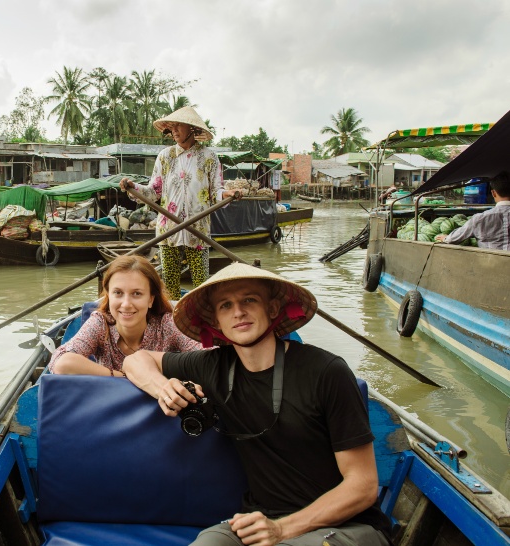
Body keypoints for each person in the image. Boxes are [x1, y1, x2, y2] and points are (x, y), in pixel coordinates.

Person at [122, 263, 391, 546]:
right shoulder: (212, 367)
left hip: (349, 526)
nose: (238, 312)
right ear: (216, 322)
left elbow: (363, 485)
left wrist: (282, 530)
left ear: (273, 309)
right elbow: (136, 360)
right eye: (226, 306)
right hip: (260, 520)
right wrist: (163, 388)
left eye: (249, 300)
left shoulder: (326, 372)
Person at [119, 106, 241, 300]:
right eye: (172, 127)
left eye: (179, 126)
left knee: (202, 285)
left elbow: (215, 191)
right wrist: (134, 187)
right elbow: (153, 191)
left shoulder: (209, 157)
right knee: (169, 285)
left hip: (198, 230)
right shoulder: (165, 157)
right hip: (169, 230)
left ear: (191, 128)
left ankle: (200, 322)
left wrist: (228, 193)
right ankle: (172, 324)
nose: (174, 130)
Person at [48, 255, 201, 376]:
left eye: (137, 294)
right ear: (109, 296)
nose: (126, 304)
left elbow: (206, 358)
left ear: (150, 299)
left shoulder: (166, 325)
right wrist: (119, 376)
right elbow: (60, 363)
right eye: (118, 293)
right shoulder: (100, 324)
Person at [434, 172, 510, 250]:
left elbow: (452, 239)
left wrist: (445, 238)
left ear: (493, 193)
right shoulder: (479, 218)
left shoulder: (479, 218)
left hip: (489, 261)